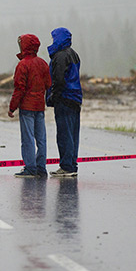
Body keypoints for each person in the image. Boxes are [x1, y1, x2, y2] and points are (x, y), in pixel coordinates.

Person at [8, 34, 51, 178]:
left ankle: (30, 168)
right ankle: (41, 168)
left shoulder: (23, 64)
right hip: (39, 106)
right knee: (41, 139)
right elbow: (48, 84)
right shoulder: (43, 63)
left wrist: (12, 107)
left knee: (28, 138)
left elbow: (19, 88)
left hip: (26, 107)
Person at [46, 27, 82, 177]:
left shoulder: (60, 56)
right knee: (73, 134)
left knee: (64, 134)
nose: (53, 41)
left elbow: (59, 79)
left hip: (64, 98)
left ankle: (66, 166)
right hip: (75, 98)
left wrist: (54, 96)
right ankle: (71, 164)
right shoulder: (74, 55)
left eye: (54, 38)